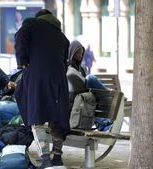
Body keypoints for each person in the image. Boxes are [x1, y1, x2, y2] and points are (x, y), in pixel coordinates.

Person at [14, 9, 69, 169]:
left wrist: (22, 60)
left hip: (38, 78)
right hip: (59, 79)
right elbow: (65, 56)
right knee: (57, 118)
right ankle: (57, 158)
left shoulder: (31, 24)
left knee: (36, 118)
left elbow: (20, 38)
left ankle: (45, 159)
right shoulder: (60, 35)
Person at [67, 40, 112, 131]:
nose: (80, 55)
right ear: (73, 52)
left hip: (83, 100)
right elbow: (72, 88)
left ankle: (104, 125)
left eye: (82, 53)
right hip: (74, 103)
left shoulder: (81, 68)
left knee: (91, 101)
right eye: (79, 53)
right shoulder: (67, 67)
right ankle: (110, 95)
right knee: (91, 79)